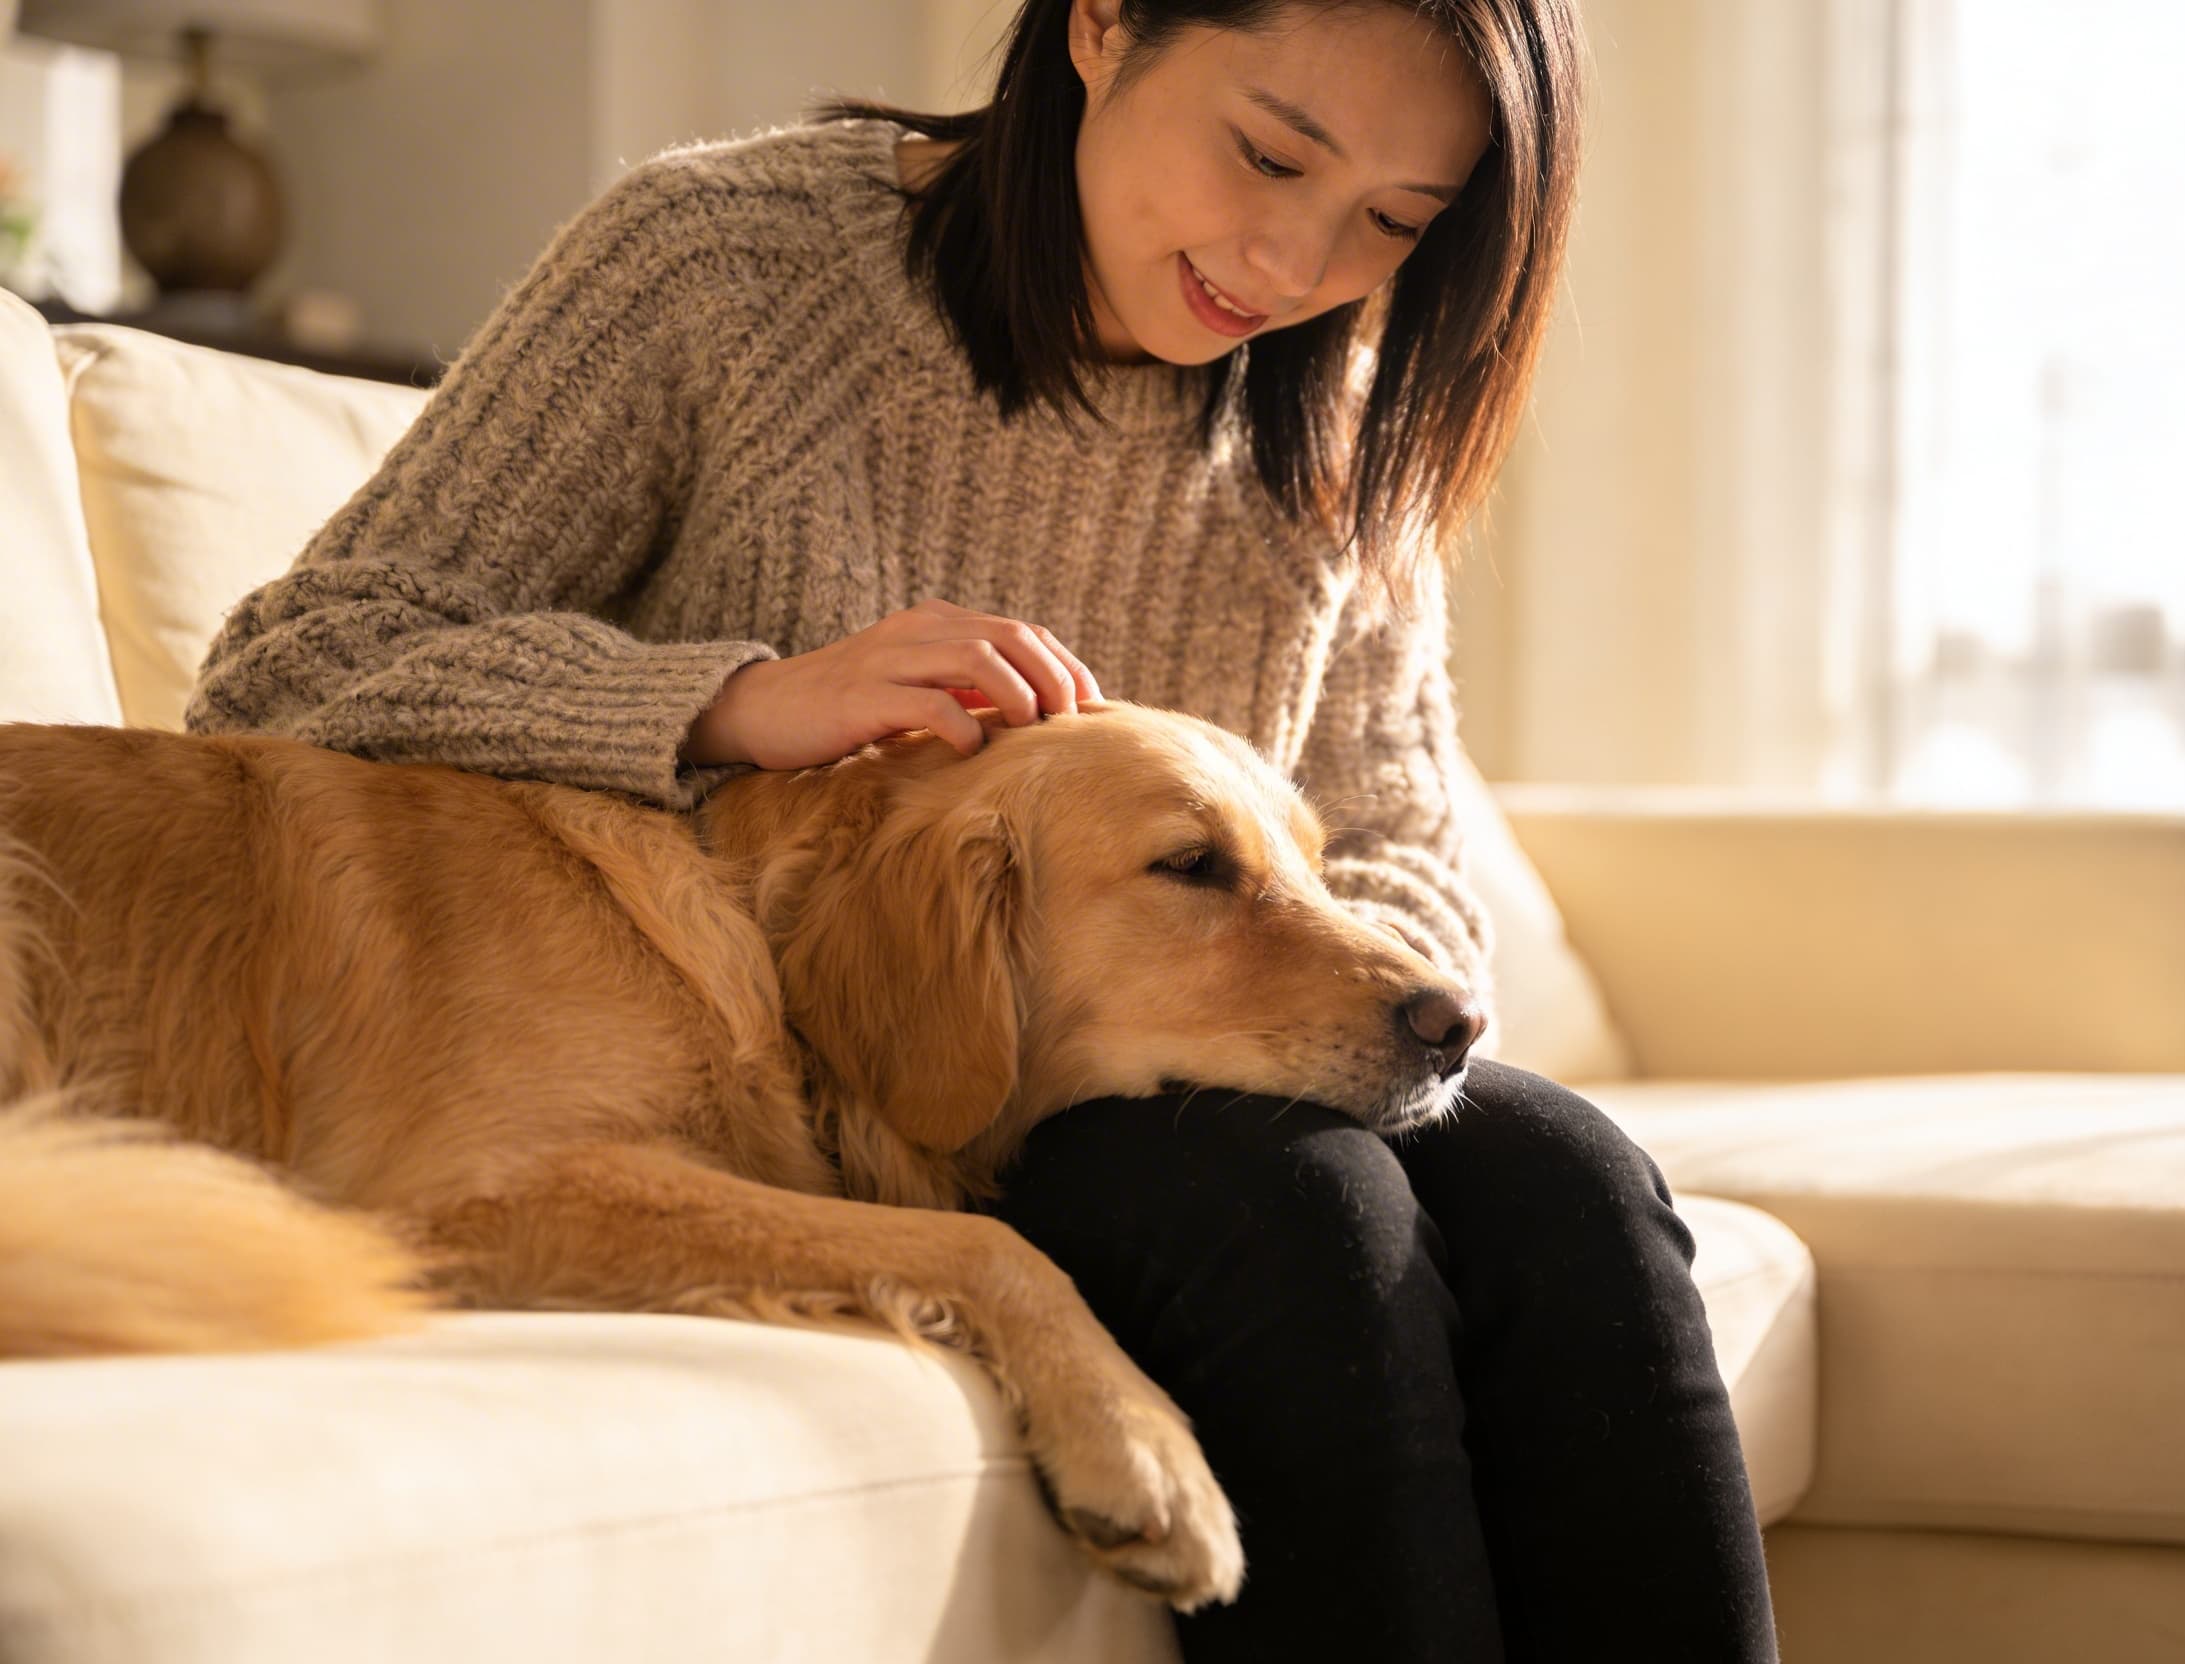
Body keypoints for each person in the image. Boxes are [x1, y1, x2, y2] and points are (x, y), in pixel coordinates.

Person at [183, 1, 1780, 1656]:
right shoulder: (727, 265)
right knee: (1301, 1216)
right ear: (1101, 25)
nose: (1296, 253)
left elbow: (1403, 866)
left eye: (1392, 220)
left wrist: (1266, 944)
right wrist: (737, 702)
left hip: (1176, 1046)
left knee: (1582, 1187)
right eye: (1270, 152)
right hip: (831, 1064)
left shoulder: (1336, 433)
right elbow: (288, 675)